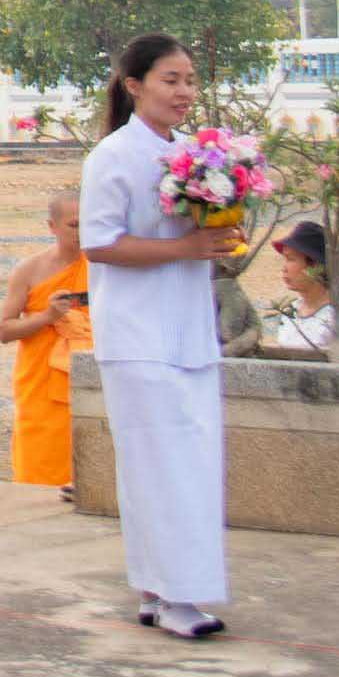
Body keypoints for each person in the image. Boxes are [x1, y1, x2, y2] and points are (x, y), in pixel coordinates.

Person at [81, 33, 234, 641]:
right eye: (171, 80)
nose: (184, 92)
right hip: (139, 335)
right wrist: (184, 247)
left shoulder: (197, 154)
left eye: (191, 81)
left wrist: (218, 231)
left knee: (188, 464)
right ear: (134, 84)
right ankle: (177, 598)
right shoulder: (114, 156)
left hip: (188, 331)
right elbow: (98, 243)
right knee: (163, 467)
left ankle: (157, 588)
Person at [0, 185, 89, 487]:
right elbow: (5, 330)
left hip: (91, 377)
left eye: (88, 223)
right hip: (42, 381)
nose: (81, 232)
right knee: (41, 465)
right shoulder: (30, 270)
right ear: (52, 226)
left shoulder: (105, 268)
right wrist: (47, 317)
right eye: (74, 225)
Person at [259, 218, 339, 355]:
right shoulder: (290, 311)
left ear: (315, 265)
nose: (284, 268)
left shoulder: (337, 317)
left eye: (291, 259)